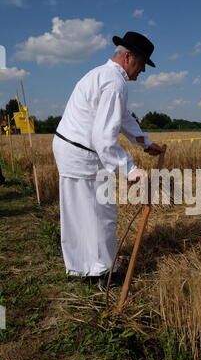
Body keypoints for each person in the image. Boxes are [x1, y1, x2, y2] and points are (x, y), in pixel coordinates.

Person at [53, 31, 163, 286]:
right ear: (128, 57)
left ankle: (85, 268)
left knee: (81, 212)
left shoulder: (102, 75)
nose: (143, 71)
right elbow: (103, 137)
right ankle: (104, 272)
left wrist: (145, 142)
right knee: (101, 212)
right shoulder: (114, 83)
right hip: (82, 153)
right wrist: (130, 169)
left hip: (71, 148)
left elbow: (122, 117)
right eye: (143, 63)